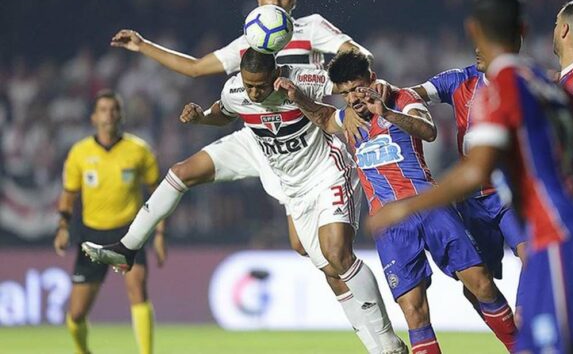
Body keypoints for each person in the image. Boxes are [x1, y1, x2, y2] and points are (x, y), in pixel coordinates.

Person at [83, 50, 406, 354]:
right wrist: (201, 118)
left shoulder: (305, 78)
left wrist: (353, 106)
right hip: (263, 151)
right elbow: (223, 114)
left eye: (261, 87)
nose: (253, 94)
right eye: (248, 85)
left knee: (336, 256)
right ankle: (127, 247)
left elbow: (354, 85)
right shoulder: (236, 89)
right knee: (183, 171)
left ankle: (389, 344)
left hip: (323, 170)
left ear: (277, 74)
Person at [369, 0, 573, 353]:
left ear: (474, 29)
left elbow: (476, 170)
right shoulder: (548, 84)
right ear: (524, 29)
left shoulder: (498, 90)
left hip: (556, 241)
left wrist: (406, 206)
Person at [108, 0, 370, 257]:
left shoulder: (310, 27)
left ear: (292, 2)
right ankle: (126, 247)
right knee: (183, 172)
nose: (276, 2)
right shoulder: (249, 41)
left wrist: (341, 85)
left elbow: (358, 56)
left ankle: (346, 281)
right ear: (260, 1)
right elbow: (196, 67)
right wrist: (143, 45)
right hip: (257, 135)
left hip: (299, 141)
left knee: (305, 247)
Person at [278, 50, 519, 353]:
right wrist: (298, 97)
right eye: (345, 93)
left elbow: (428, 131)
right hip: (391, 226)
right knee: (414, 311)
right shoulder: (347, 118)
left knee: (481, 283)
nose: (352, 98)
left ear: (373, 80)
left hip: (430, 208)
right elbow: (325, 118)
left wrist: (387, 113)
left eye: (356, 88)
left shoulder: (402, 99)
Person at [366, 48, 527, 318]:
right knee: (476, 287)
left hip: (508, 194)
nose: (477, 48)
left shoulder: (525, 83)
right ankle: (513, 336)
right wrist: (385, 88)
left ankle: (524, 324)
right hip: (472, 201)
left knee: (531, 256)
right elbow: (411, 94)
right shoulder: (458, 80)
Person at [54, 90, 165, 354]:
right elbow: (69, 195)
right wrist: (62, 227)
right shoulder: (80, 153)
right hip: (91, 234)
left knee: (137, 288)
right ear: (94, 117)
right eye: (103, 110)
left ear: (121, 115)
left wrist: (159, 234)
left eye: (114, 109)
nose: (109, 115)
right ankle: (83, 351)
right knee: (76, 314)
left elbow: (159, 193)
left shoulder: (138, 150)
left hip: (129, 232)